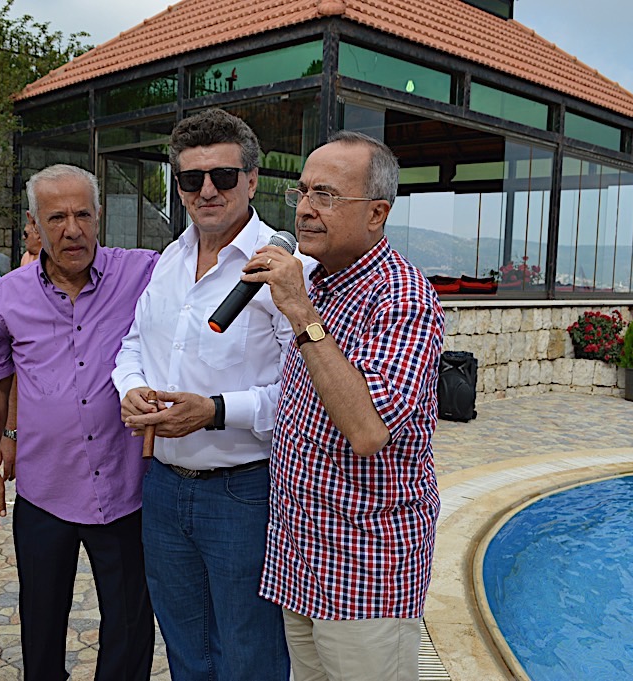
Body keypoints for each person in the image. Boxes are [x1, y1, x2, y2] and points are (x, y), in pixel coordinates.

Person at [250, 131, 445, 681]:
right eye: (303, 191)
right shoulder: (321, 282)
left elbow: (368, 430)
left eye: (327, 195)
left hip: (365, 572)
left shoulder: (403, 297)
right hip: (302, 559)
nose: (306, 208)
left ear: (377, 213)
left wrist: (299, 312)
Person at [112, 108, 292, 681]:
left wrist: (214, 413)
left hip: (243, 492)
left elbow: (299, 395)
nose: (207, 190)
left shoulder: (285, 269)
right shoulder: (170, 259)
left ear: (252, 180)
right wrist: (132, 390)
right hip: (164, 486)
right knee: (185, 648)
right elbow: (133, 344)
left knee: (249, 653)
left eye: (223, 176)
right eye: (191, 178)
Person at [0, 164, 157, 681]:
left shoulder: (143, 272)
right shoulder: (8, 294)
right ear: (34, 225)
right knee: (41, 624)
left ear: (99, 217)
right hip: (45, 490)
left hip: (125, 490)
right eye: (56, 218)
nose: (72, 230)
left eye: (82, 215)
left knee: (129, 628)